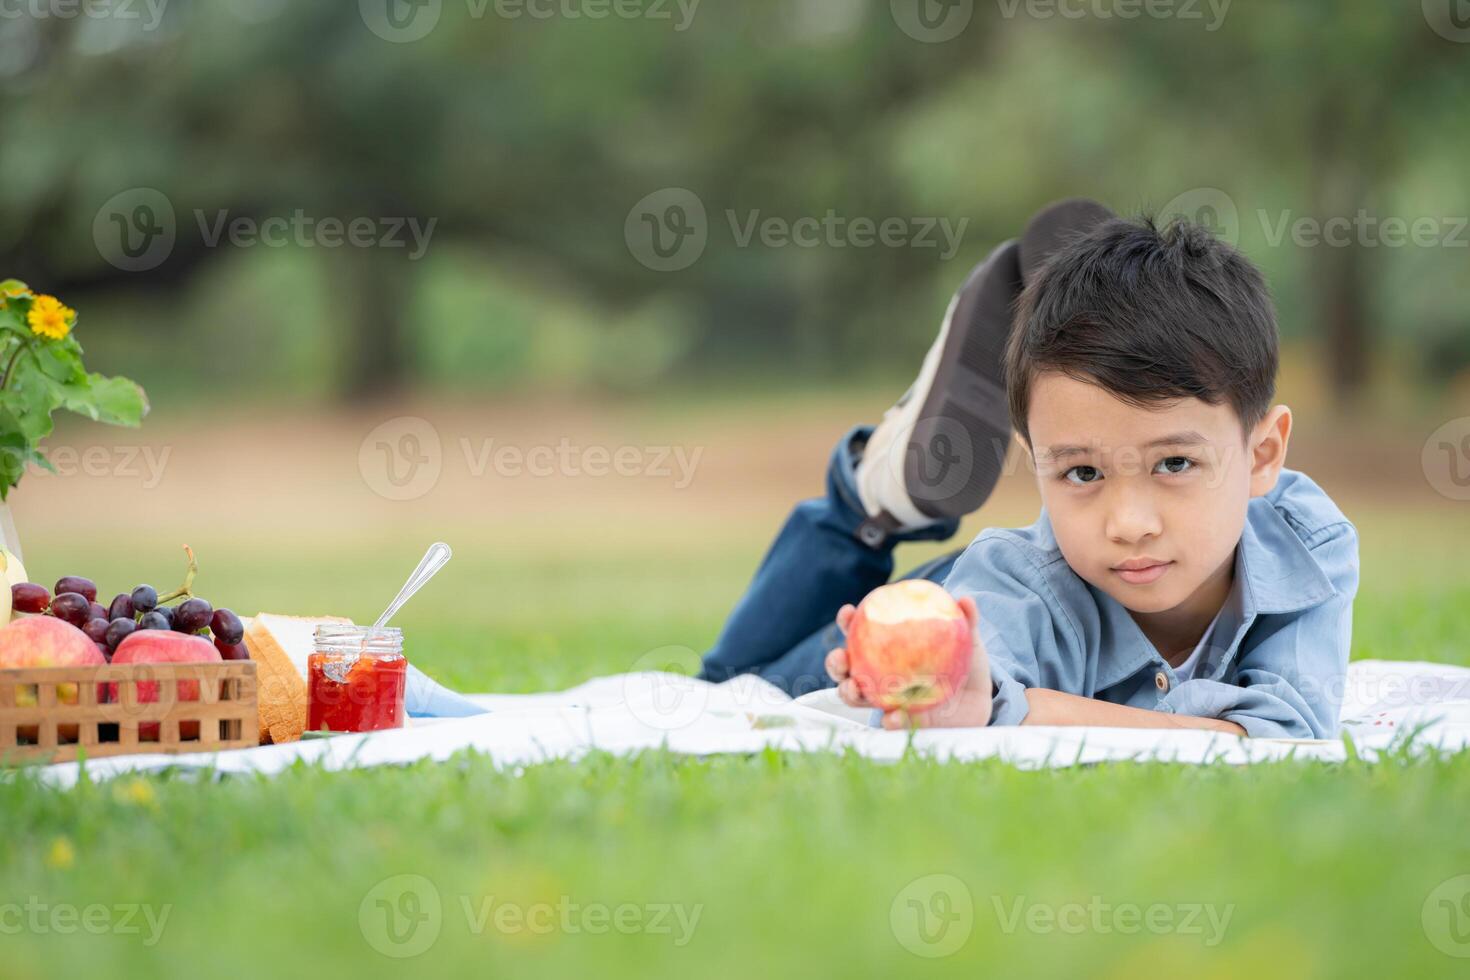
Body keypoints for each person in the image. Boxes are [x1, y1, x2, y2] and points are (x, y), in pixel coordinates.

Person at [698, 200, 1358, 738]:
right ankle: (869, 499)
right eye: (1082, 473)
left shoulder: (1307, 547)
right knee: (730, 682)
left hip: (1027, 569)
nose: (1129, 525)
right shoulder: (1010, 587)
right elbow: (967, 699)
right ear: (1034, 455)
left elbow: (1288, 734)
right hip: (946, 600)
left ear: (1263, 455)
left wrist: (1012, 707)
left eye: (1175, 462)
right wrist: (976, 698)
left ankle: (880, 497)